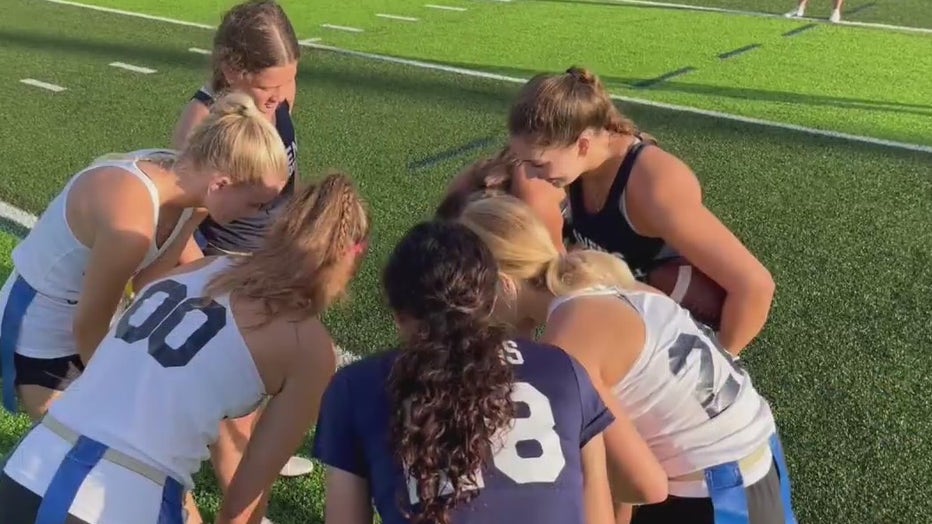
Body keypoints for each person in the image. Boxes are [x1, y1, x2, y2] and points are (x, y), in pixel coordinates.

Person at [0, 172, 371, 524]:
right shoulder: (309, 348)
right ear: (354, 255)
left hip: (26, 468)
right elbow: (243, 504)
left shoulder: (200, 269)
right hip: (118, 505)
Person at [457, 194, 797, 524]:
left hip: (717, 493)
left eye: (471, 298)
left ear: (503, 285)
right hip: (753, 461)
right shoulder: (604, 282)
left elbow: (643, 485)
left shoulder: (568, 345)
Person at [313, 220, 645, 524]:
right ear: (490, 300)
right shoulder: (563, 369)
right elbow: (598, 506)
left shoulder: (356, 388)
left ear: (399, 316)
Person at [0, 91, 288, 422]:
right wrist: (117, 384)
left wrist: (242, 279)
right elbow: (88, 325)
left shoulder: (191, 189)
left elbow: (150, 279)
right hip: (41, 326)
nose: (258, 215)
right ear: (221, 184)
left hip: (90, 316)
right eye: (256, 204)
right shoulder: (132, 221)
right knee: (75, 441)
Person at [501, 67, 775, 355]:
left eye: (538, 164)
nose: (530, 174)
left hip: (675, 311)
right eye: (523, 162)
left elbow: (754, 286)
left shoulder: (654, 185)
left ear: (582, 144)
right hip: (626, 300)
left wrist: (720, 364)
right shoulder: (561, 166)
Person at [171, 0, 313, 482]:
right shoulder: (204, 124)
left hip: (275, 253)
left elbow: (282, 168)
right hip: (227, 262)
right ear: (232, 70)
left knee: (277, 371)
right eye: (266, 87)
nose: (280, 97)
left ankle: (260, 453)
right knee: (238, 391)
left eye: (287, 82)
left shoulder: (279, 91)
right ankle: (242, 494)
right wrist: (215, 281)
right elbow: (180, 222)